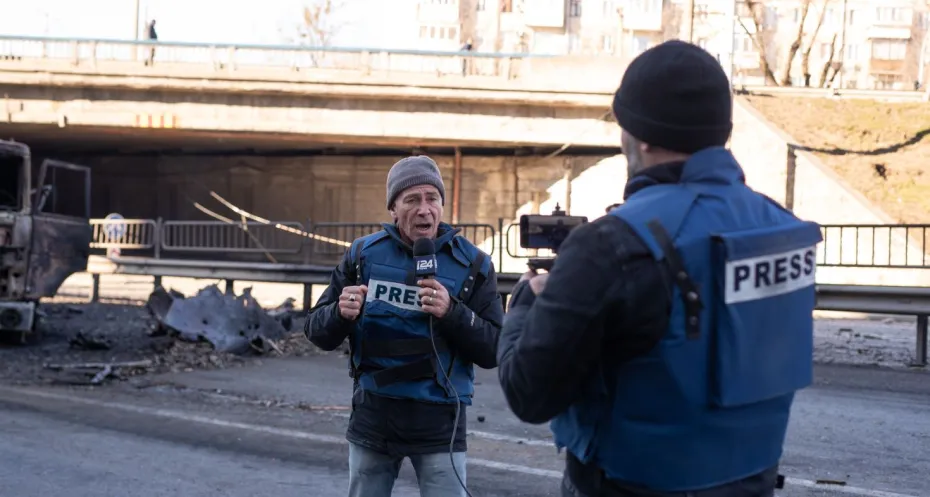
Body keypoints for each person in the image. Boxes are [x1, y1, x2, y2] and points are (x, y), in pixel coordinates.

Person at [497, 40, 822, 497]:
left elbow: (528, 392)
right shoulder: (784, 228)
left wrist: (528, 302)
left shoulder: (610, 245)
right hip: (752, 481)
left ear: (641, 135)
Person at [306, 155, 503, 497]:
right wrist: (339, 313)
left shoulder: (474, 264)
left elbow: (495, 349)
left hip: (441, 419)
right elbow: (316, 332)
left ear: (442, 205)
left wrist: (452, 312)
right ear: (393, 209)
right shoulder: (361, 256)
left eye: (432, 199)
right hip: (374, 414)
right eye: (412, 200)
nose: (424, 209)